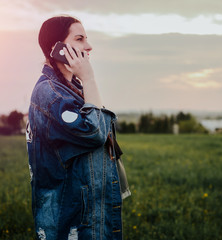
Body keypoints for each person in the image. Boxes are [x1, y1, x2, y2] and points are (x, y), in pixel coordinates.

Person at [26, 15, 130, 240]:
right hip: (69, 221)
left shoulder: (69, 89)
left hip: (88, 215)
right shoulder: (50, 94)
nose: (89, 46)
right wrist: (89, 79)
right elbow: (94, 132)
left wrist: (85, 83)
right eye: (80, 39)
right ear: (58, 48)